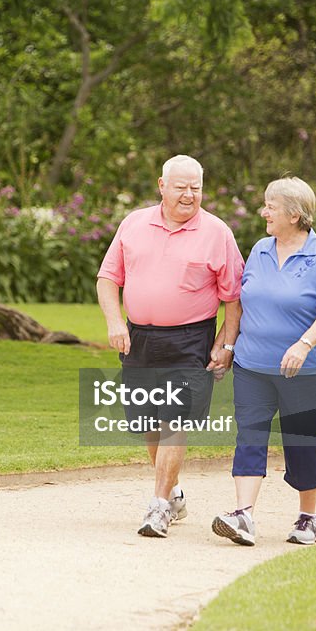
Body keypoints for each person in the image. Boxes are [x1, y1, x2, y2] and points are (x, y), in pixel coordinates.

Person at [97, 154, 244, 539]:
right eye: (180, 186)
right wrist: (115, 323)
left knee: (173, 423)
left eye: (195, 187)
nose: (189, 195)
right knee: (146, 424)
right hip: (139, 339)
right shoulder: (134, 223)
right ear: (162, 186)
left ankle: (159, 507)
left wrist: (226, 343)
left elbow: (234, 297)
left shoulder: (217, 232)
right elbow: (108, 278)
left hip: (190, 341)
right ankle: (175, 495)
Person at [211, 176, 316, 547]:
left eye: (270, 205)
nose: (263, 211)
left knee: (304, 443)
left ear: (294, 213)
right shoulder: (259, 249)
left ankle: (308, 517)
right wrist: (227, 344)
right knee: (249, 435)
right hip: (252, 365)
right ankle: (243, 516)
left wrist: (303, 345)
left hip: (306, 370)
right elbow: (240, 303)